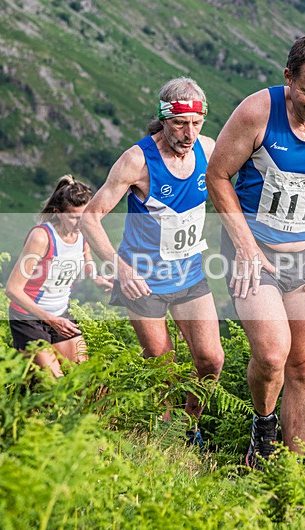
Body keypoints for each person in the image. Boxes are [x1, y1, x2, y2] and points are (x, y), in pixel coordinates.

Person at [205, 34, 305, 468]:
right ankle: (263, 425)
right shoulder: (257, 112)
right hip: (254, 250)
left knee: (303, 365)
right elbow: (217, 176)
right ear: (289, 79)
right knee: (273, 354)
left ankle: (291, 470)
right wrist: (244, 246)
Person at [81, 77, 224, 446]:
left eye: (196, 123)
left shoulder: (209, 149)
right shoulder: (137, 160)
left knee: (211, 360)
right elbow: (90, 217)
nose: (188, 134)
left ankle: (189, 428)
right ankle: (164, 440)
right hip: (143, 281)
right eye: (179, 123)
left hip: (189, 274)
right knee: (164, 368)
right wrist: (119, 267)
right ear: (163, 119)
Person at [6, 175, 113, 378]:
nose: (80, 223)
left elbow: (86, 258)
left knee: (82, 379)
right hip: (28, 317)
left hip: (60, 313)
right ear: (58, 213)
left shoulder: (83, 231)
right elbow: (12, 290)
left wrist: (97, 278)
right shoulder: (41, 237)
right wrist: (51, 320)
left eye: (85, 217)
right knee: (55, 384)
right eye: (74, 217)